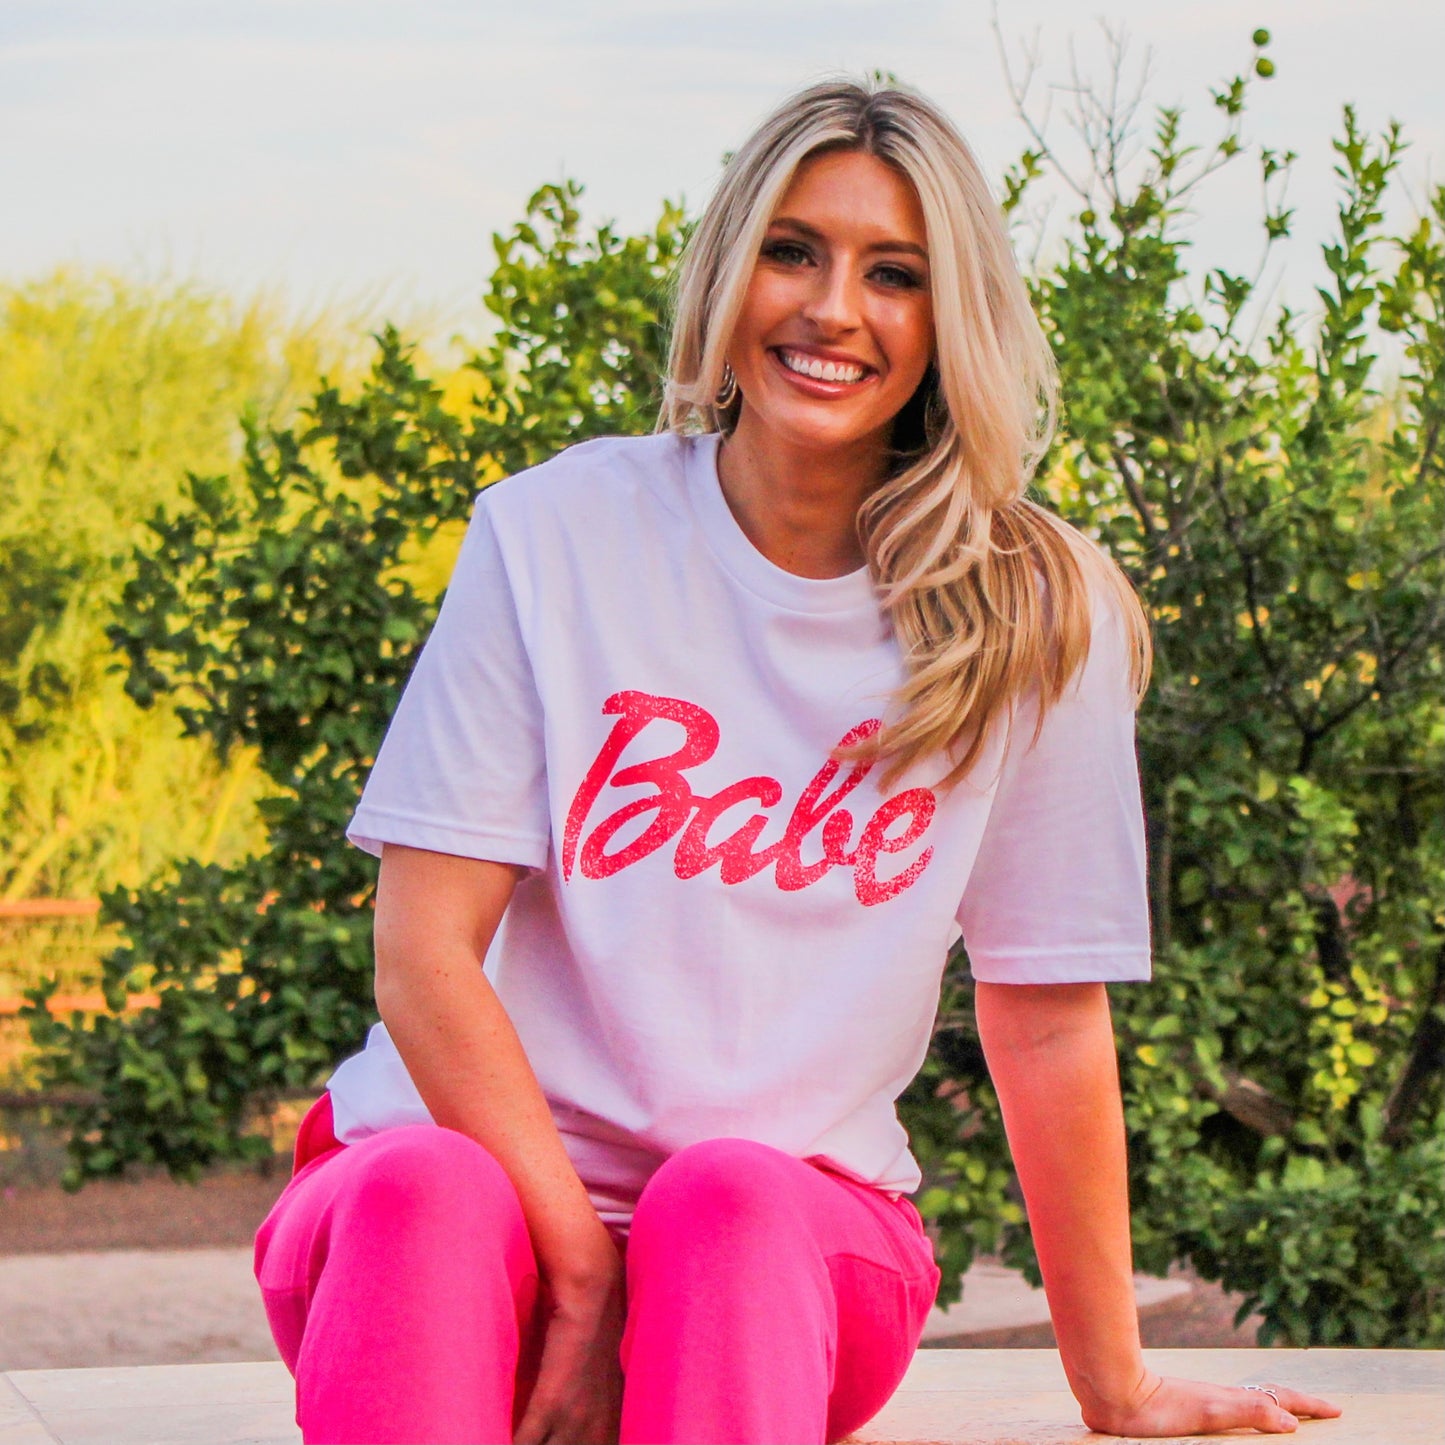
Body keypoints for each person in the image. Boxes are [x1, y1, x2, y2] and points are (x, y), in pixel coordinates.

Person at [253, 77, 1343, 1445]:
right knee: (420, 1189)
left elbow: (1049, 1018)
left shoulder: (1035, 605)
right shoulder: (553, 535)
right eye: (792, 251)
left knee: (727, 1197)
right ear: (731, 269)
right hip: (469, 1239)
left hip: (780, 1265)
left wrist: (1112, 1378)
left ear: (953, 316)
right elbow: (424, 952)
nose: (833, 308)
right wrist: (583, 1271)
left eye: (895, 273)